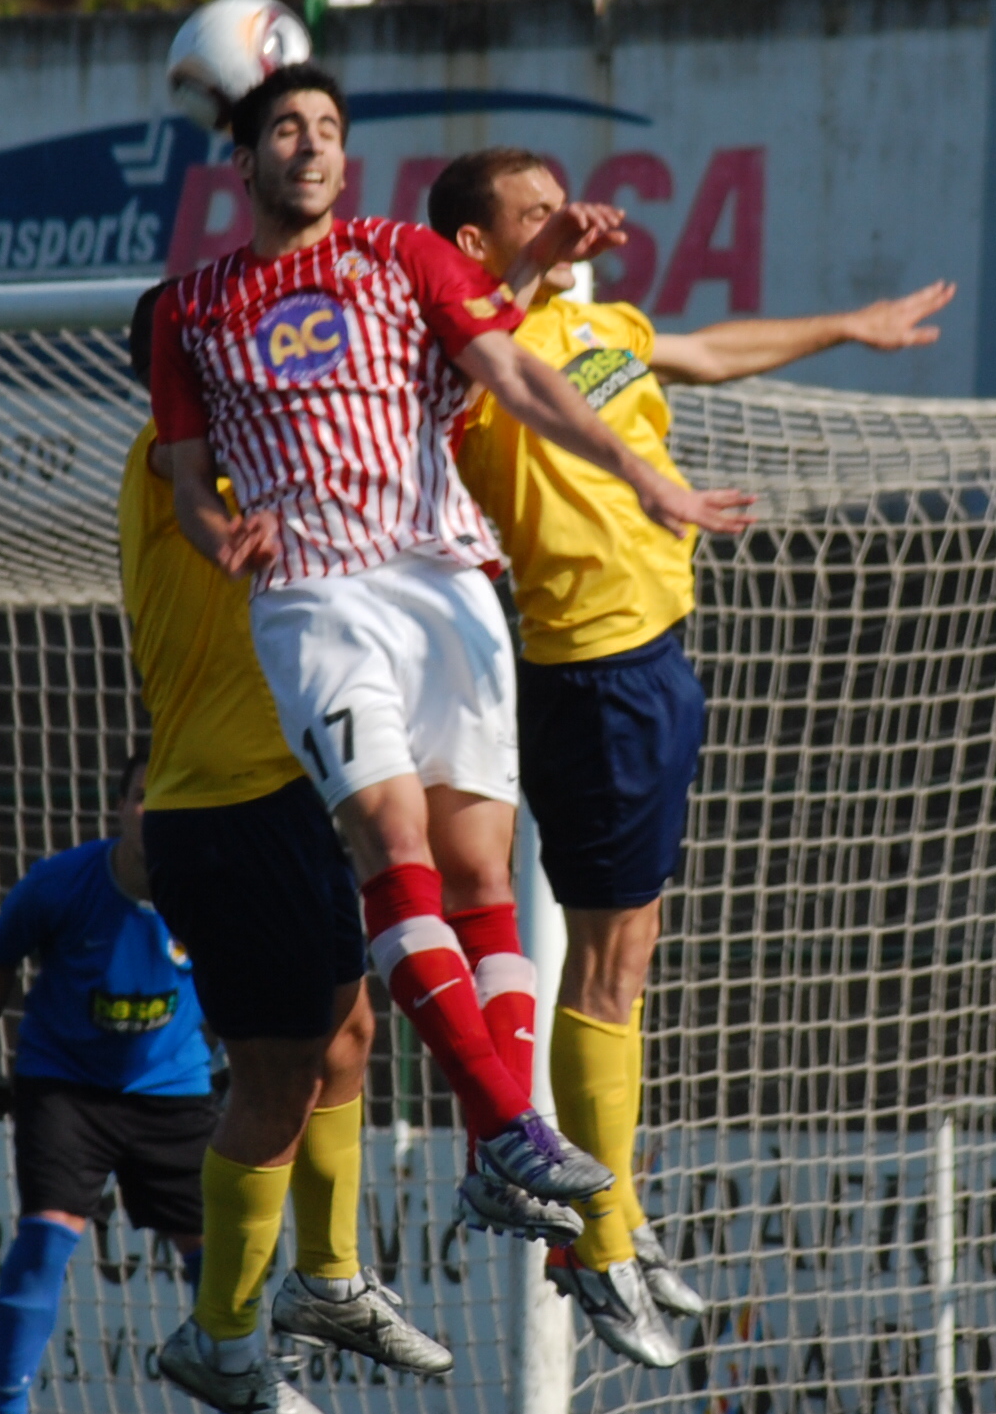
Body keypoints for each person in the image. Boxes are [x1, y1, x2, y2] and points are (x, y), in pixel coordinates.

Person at [149, 65, 755, 1271]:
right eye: (286, 129)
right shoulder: (193, 307)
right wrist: (222, 537)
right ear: (248, 159)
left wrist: (646, 479)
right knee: (392, 840)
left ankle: (509, 1158)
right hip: (315, 592)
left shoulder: (404, 258)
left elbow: (519, 374)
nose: (311, 146)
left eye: (328, 128)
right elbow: (182, 472)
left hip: (444, 581)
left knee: (482, 871)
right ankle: (508, 1126)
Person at [428, 147, 952, 1369]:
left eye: (568, 204)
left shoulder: (602, 320)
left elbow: (712, 352)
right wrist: (533, 269)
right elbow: (480, 354)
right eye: (535, 213)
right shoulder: (467, 346)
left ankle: (614, 1219)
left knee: (629, 960)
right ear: (476, 245)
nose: (569, 224)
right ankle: (596, 1236)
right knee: (606, 965)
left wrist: (852, 326)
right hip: (593, 668)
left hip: (655, 662)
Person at [117, 285, 454, 1413]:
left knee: (347, 1035)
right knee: (273, 1078)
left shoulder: (223, 460)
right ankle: (220, 1341)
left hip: (279, 797)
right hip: (233, 808)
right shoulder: (181, 470)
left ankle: (327, 1277)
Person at [0, 753, 220, 1414]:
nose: (153, 813)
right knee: (47, 1236)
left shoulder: (219, 891)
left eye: (170, 797)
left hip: (174, 1091)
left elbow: (246, 974)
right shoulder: (59, 884)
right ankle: (7, 1406)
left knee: (219, 1257)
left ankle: (236, 1393)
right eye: (140, 797)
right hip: (65, 1084)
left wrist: (236, 1057)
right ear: (120, 809)